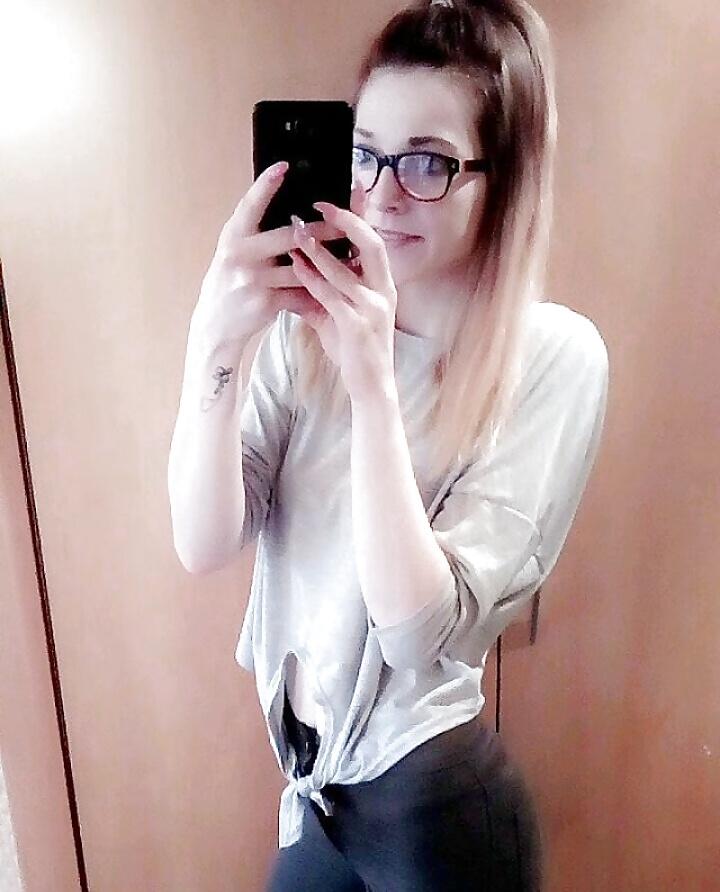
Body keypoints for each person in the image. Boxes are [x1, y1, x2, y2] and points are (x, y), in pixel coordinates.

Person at [168, 0, 610, 889]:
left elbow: (415, 633)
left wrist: (373, 385)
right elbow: (202, 542)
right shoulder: (303, 330)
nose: (380, 191)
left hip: (434, 815)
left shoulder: (552, 357)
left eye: (427, 162)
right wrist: (213, 345)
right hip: (317, 787)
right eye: (365, 151)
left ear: (502, 180)